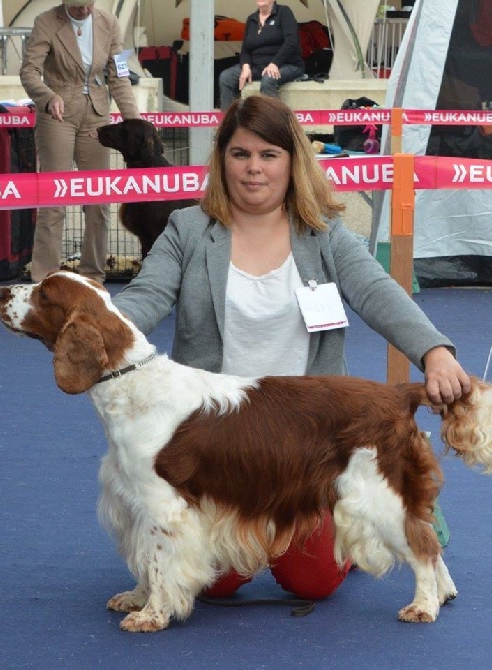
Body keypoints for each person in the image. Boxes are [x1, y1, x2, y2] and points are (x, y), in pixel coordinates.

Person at [112, 95, 471, 601]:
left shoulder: (322, 233)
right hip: (219, 439)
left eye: (269, 154)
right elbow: (146, 296)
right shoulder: (187, 229)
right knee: (214, 584)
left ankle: (383, 509)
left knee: (314, 583)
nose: (254, 169)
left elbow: (377, 291)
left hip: (310, 439)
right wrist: (95, 327)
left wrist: (434, 351)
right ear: (222, 160)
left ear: (291, 161)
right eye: (240, 154)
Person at [20, 0, 140, 284]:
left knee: (98, 201)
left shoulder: (109, 23)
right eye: (77, 8)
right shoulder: (46, 22)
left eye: (88, 5)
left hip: (97, 115)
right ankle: (44, 278)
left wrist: (136, 122)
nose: (84, 12)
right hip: (57, 115)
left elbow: (120, 77)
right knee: (54, 199)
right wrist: (48, 96)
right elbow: (29, 71)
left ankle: (93, 276)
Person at [218, 1, 305, 111]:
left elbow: (291, 42)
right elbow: (245, 49)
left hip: (286, 64)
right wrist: (245, 66)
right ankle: (230, 124)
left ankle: (271, 125)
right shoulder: (252, 19)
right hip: (257, 66)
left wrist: (275, 63)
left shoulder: (284, 12)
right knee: (226, 77)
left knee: (268, 79)